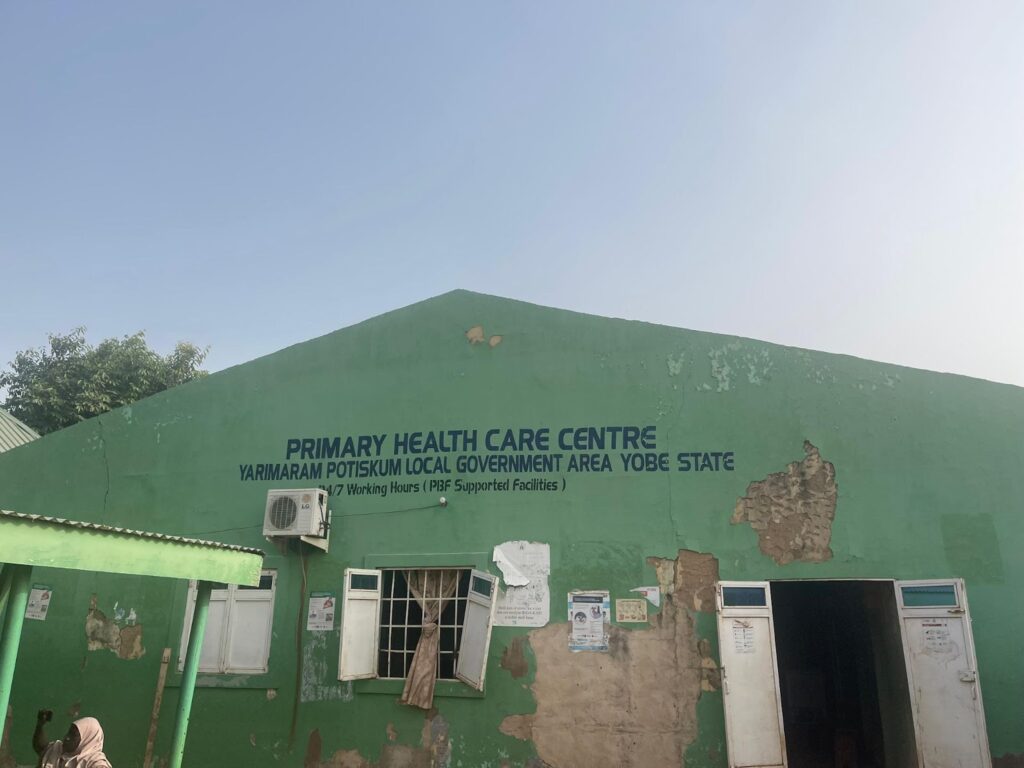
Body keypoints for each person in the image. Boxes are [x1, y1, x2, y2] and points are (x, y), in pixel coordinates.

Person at [33, 709, 112, 768]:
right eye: (69, 732)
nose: (67, 737)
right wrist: (40, 725)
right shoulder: (59, 749)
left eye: (73, 735)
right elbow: (41, 747)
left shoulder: (95, 762)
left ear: (85, 740)